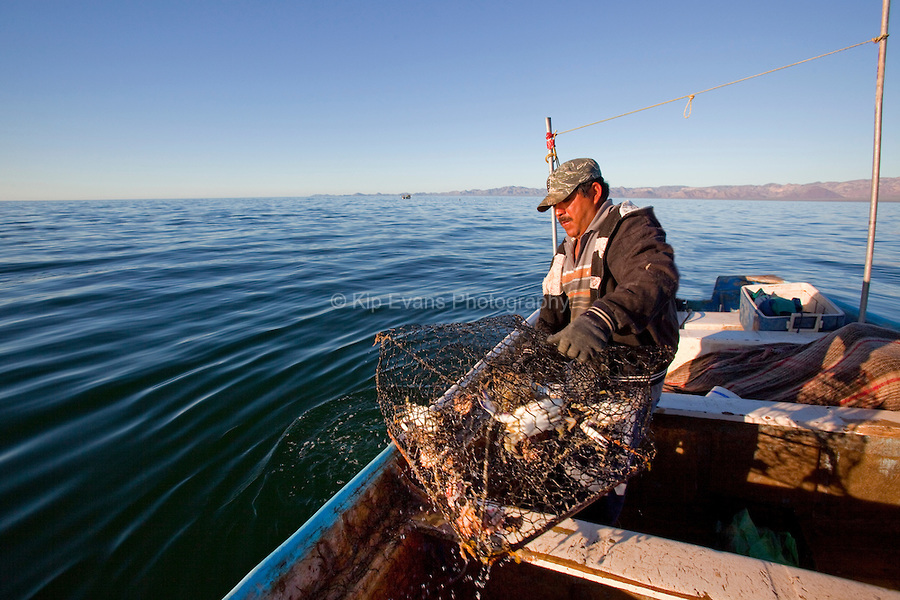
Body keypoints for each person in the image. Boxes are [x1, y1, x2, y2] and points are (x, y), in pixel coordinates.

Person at [536, 157, 680, 524]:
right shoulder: (565, 253)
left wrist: (599, 319)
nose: (558, 212)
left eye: (565, 201)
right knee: (571, 455)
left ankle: (605, 522)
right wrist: (530, 358)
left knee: (606, 471)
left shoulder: (629, 228)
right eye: (553, 205)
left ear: (594, 192)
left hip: (631, 374)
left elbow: (655, 278)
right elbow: (549, 319)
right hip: (589, 373)